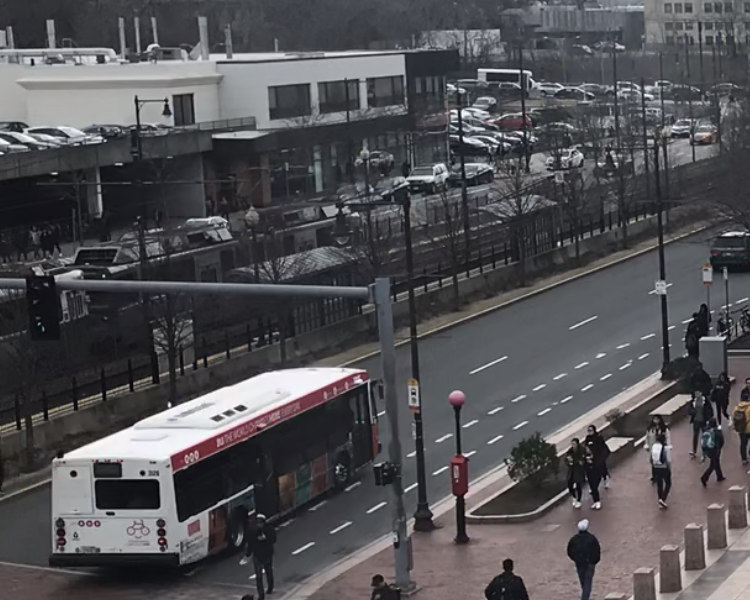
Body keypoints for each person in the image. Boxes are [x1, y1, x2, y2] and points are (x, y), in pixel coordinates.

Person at [240, 513, 276, 599]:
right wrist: (247, 555)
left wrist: (266, 539)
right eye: (258, 523)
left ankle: (270, 587)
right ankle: (261, 595)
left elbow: (273, 540)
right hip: (257, 556)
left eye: (261, 523)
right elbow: (250, 544)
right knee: (259, 576)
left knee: (268, 572)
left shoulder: (269, 530)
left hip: (267, 555)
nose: (259, 525)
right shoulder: (252, 532)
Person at [567, 519, 601, 600]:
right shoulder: (591, 538)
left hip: (579, 563)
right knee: (587, 581)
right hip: (589, 563)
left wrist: (575, 559)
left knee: (582, 579)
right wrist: (594, 561)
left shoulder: (574, 539)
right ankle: (585, 597)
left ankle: (586, 595)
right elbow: (597, 550)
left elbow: (569, 551)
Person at [565, 438, 592, 509]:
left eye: (574, 444)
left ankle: (579, 500)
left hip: (579, 469)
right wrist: (569, 462)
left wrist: (583, 461)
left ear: (577, 444)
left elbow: (584, 458)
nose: (573, 445)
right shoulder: (570, 451)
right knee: (569, 483)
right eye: (572, 444)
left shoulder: (582, 449)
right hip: (572, 469)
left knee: (578, 484)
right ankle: (574, 497)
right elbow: (566, 459)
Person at [585, 424, 612, 490]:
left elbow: (601, 446)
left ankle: (606, 479)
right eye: (588, 430)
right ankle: (593, 486)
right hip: (592, 457)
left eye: (591, 430)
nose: (589, 432)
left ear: (594, 430)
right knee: (593, 471)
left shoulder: (598, 437)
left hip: (599, 456)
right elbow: (586, 446)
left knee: (602, 468)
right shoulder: (588, 438)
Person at [700, 418, 726, 487]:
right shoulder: (717, 431)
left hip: (707, 449)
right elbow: (721, 441)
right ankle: (704, 478)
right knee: (713, 465)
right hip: (714, 449)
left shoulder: (706, 430)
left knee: (716, 462)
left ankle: (719, 476)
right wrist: (719, 448)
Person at [645, 415, 670, 482]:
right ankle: (654, 476)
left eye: (657, 419)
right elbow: (647, 437)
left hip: (662, 447)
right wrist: (646, 445)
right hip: (653, 447)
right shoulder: (650, 429)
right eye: (655, 419)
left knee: (663, 460)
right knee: (653, 461)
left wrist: (668, 445)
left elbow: (668, 437)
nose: (656, 421)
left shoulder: (664, 429)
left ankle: (664, 474)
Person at [651, 433, 672, 508]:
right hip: (664, 467)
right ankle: (663, 499)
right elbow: (668, 460)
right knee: (668, 483)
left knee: (659, 484)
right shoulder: (665, 448)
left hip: (656, 467)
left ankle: (660, 499)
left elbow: (651, 458)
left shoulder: (654, 446)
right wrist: (669, 467)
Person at [690, 391, 713, 459]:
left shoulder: (705, 401)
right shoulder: (693, 401)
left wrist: (708, 418)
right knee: (695, 436)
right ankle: (694, 451)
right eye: (695, 393)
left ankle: (704, 452)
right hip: (696, 421)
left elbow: (710, 410)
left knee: (704, 437)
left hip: (703, 421)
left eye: (698, 393)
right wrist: (692, 412)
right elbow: (689, 410)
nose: (696, 395)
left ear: (701, 393)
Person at [733, 392, 750, 465]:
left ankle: (744, 459)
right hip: (749, 428)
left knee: (743, 444)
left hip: (741, 429)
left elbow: (734, 418)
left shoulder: (736, 408)